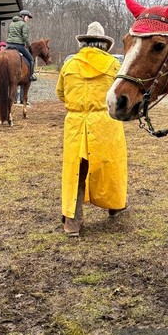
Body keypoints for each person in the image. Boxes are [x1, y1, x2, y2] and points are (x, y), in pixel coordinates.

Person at [56, 22, 128, 237]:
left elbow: (61, 93)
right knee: (111, 166)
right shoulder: (114, 65)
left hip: (76, 124)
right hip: (105, 123)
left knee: (76, 170)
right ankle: (115, 206)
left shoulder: (69, 65)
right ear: (103, 44)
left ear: (84, 43)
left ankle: (72, 222)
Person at [6, 10, 37, 81]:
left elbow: (8, 34)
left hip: (8, 44)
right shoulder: (23, 24)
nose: (28, 19)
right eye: (27, 17)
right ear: (23, 16)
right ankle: (31, 75)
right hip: (19, 45)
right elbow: (25, 37)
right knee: (31, 59)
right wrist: (29, 46)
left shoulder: (11, 23)